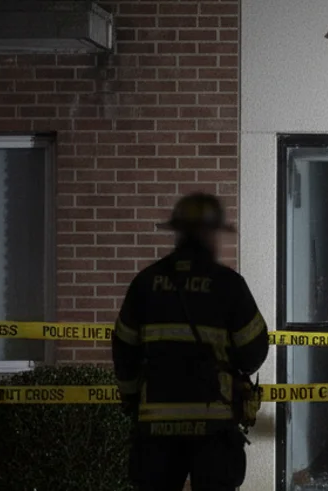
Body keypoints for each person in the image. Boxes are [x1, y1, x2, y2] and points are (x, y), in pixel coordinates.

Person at [113, 193, 270, 491]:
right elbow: (254, 351)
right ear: (212, 235)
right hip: (213, 426)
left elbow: (124, 350)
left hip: (156, 428)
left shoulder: (145, 283)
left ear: (178, 233)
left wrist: (133, 398)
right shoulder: (228, 284)